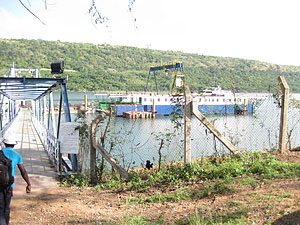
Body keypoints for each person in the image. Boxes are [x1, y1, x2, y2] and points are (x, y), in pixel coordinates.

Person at [0, 137, 31, 225]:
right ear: (14, 145)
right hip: (10, 185)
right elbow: (23, 171)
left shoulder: (0, 153)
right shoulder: (17, 155)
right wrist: (28, 183)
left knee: (0, 206)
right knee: (6, 207)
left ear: (4, 143)